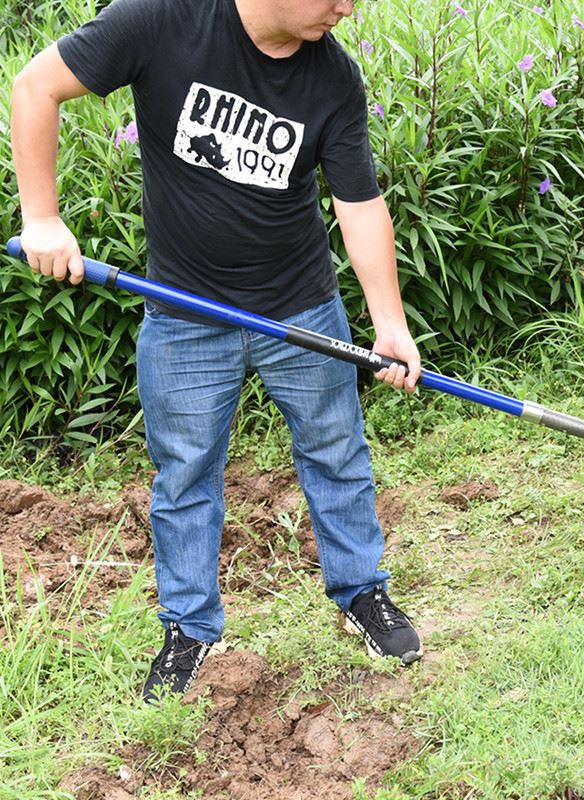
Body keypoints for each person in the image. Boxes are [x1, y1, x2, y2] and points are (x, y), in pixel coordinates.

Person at [11, 0, 424, 704]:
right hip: (184, 312)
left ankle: (362, 593)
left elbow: (358, 203)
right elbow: (35, 85)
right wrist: (43, 217)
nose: (346, 7)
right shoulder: (160, 19)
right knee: (185, 474)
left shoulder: (333, 78)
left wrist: (389, 323)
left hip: (300, 306)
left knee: (336, 452)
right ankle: (190, 628)